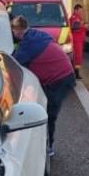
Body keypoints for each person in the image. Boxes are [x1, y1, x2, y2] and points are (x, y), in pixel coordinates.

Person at [11, 15, 76, 157]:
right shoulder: (35, 35)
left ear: (18, 30)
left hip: (60, 80)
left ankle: (48, 147)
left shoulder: (28, 45)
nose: (12, 33)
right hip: (63, 75)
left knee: (48, 114)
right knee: (42, 105)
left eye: (13, 30)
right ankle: (44, 141)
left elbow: (13, 65)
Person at [68, 4, 87, 80]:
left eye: (81, 11)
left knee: (78, 57)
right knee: (77, 57)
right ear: (75, 10)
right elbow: (74, 27)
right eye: (80, 11)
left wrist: (84, 26)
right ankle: (75, 74)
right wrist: (82, 25)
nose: (81, 12)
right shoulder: (74, 17)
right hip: (76, 41)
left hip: (79, 40)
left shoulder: (78, 18)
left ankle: (76, 73)